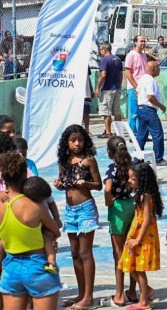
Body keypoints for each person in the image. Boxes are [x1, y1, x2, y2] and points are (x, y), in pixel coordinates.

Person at [0, 151, 62, 310]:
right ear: (24, 175)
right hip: (38, 266)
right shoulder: (35, 206)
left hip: (11, 267)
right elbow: (56, 231)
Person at [53, 125, 101, 310]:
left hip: (86, 209)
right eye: (73, 140)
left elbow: (98, 184)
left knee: (85, 253)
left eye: (80, 140)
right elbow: (65, 183)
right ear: (66, 142)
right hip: (70, 210)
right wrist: (59, 184)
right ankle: (81, 294)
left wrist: (86, 183)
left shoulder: (88, 161)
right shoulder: (64, 162)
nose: (77, 144)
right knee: (74, 253)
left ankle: (88, 297)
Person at [118, 161, 163, 310]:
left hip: (143, 236)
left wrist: (138, 239)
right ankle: (147, 291)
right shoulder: (141, 193)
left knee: (138, 268)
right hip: (136, 233)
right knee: (130, 265)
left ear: (142, 180)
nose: (130, 181)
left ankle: (144, 302)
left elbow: (146, 219)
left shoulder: (146, 196)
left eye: (133, 179)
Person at [104, 136, 136, 306]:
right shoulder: (133, 166)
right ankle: (132, 290)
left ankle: (119, 294)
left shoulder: (112, 168)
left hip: (118, 210)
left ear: (110, 152)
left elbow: (108, 188)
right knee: (132, 249)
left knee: (119, 254)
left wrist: (108, 201)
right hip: (132, 206)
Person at [21, 177, 59, 273]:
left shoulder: (43, 193)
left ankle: (51, 262)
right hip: (33, 225)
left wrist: (56, 218)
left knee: (49, 239)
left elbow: (52, 204)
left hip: (44, 223)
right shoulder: (26, 199)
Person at [136, 61, 167, 165]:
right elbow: (150, 97)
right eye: (158, 68)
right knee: (157, 134)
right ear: (153, 69)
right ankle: (158, 159)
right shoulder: (150, 80)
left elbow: (137, 93)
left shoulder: (142, 79)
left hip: (141, 109)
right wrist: (161, 106)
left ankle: (138, 158)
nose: (160, 70)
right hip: (149, 110)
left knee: (141, 135)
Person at [96, 43, 123, 138]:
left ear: (104, 49)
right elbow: (120, 74)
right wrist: (119, 85)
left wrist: (97, 87)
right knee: (116, 111)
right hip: (117, 88)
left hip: (107, 89)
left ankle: (108, 132)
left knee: (106, 112)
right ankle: (119, 132)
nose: (100, 51)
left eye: (100, 49)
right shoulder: (118, 59)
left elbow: (103, 74)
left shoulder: (104, 60)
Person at [124, 36, 148, 133]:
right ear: (135, 42)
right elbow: (128, 73)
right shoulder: (131, 55)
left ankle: (141, 134)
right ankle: (132, 134)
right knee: (134, 113)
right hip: (134, 89)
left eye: (144, 41)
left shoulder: (144, 56)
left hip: (143, 89)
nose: (143, 43)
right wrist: (136, 87)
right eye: (141, 41)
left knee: (142, 112)